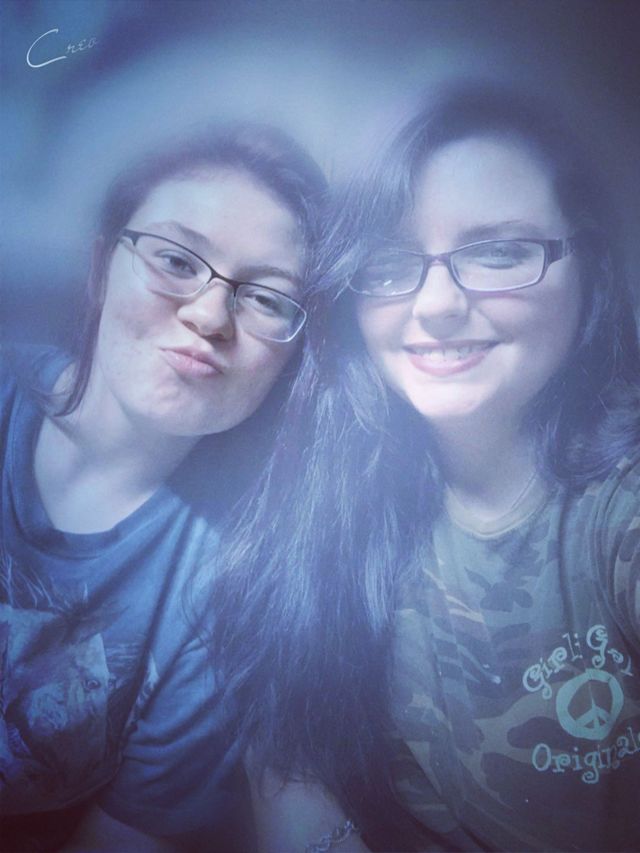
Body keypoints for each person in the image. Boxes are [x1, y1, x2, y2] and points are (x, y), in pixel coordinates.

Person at [210, 84, 640, 851]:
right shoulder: (323, 508)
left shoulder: (618, 509)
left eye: (498, 251)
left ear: (590, 268)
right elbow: (293, 772)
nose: (437, 304)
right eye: (390, 263)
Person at [0, 123, 326, 851]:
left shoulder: (229, 587)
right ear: (100, 269)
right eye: (176, 261)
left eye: (267, 299)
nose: (209, 317)